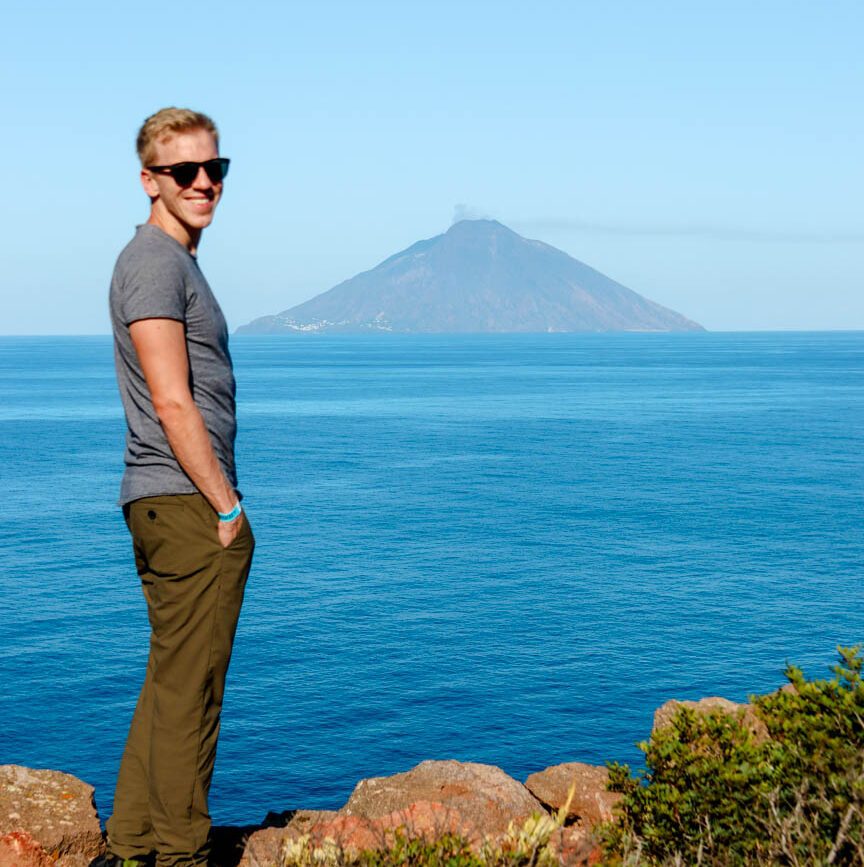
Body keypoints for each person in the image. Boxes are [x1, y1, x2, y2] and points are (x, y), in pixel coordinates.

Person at [101, 107, 254, 867]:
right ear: (149, 181)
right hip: (190, 503)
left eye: (215, 169)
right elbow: (171, 398)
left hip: (167, 500)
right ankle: (181, 855)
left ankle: (129, 847)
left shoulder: (166, 261)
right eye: (184, 171)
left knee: (170, 680)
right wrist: (225, 503)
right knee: (194, 694)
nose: (204, 184)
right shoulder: (157, 262)